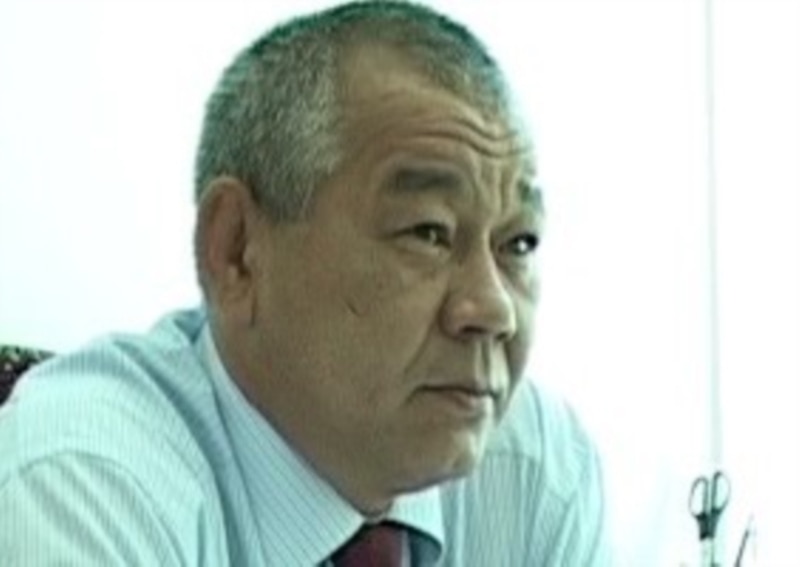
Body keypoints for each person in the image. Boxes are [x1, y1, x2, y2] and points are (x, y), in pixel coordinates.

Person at [0, 1, 611, 565]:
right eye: (428, 232)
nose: (494, 309)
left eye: (518, 244)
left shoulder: (537, 470)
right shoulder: (81, 483)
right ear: (237, 252)